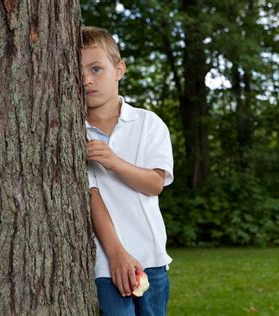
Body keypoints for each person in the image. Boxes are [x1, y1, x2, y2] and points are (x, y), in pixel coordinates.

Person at [82, 26, 174, 315]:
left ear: (119, 69)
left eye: (96, 69)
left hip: (151, 256)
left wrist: (113, 161)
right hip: (107, 263)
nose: (86, 79)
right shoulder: (74, 134)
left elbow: (155, 183)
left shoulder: (148, 123)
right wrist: (116, 254)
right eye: (78, 71)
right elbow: (92, 195)